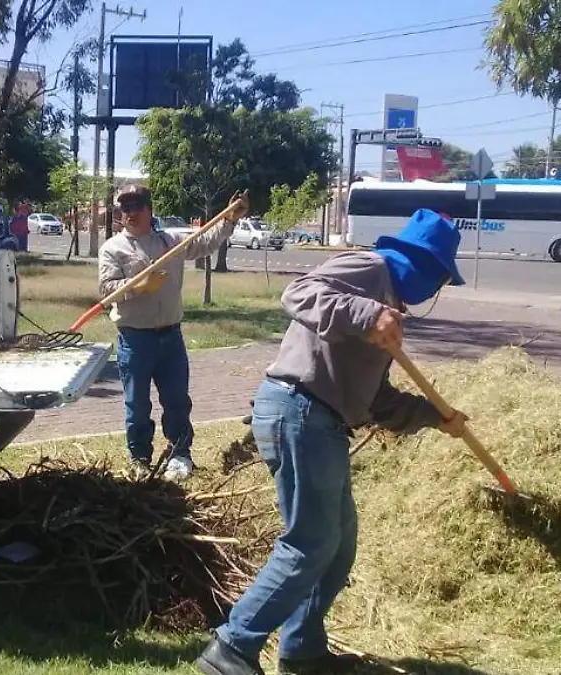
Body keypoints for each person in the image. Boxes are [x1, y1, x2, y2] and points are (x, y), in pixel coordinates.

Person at [196, 208, 470, 675]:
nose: (436, 290)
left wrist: (433, 416)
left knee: (338, 544)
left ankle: (302, 650)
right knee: (311, 540)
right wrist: (368, 314)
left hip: (323, 423)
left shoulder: (390, 311)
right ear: (425, 265)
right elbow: (298, 292)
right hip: (298, 409)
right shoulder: (370, 268)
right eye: (441, 278)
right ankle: (231, 646)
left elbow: (375, 400)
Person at [98, 185, 249, 481]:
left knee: (177, 400)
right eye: (124, 208)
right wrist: (138, 286)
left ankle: (180, 453)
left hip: (171, 337)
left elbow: (205, 243)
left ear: (149, 208)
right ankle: (140, 458)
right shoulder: (113, 248)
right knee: (137, 404)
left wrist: (230, 220)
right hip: (135, 339)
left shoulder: (171, 242)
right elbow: (105, 289)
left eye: (136, 206)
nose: (130, 213)